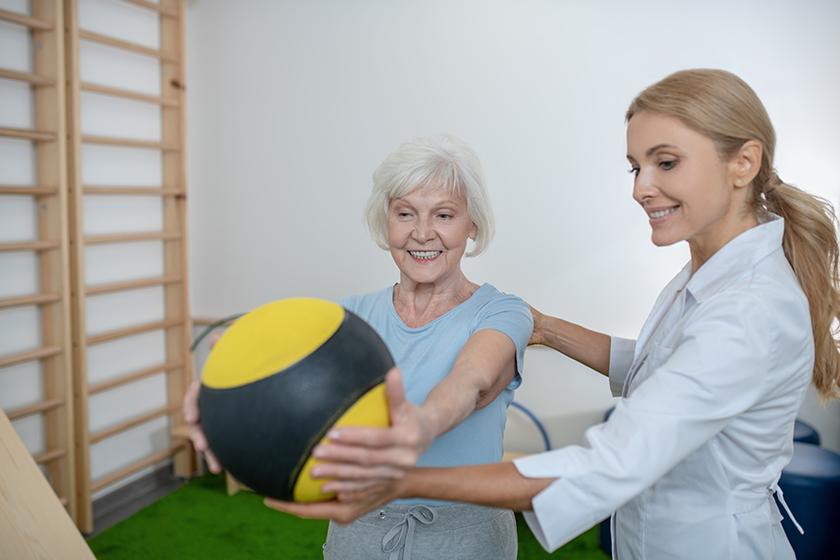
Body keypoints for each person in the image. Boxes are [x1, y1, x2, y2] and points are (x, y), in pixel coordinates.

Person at [267, 69, 840, 560]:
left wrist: (404, 479)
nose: (642, 188)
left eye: (665, 162)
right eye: (634, 167)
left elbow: (592, 450)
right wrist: (544, 328)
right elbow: (660, 369)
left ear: (743, 163)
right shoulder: (706, 274)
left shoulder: (749, 308)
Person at [183, 133, 533, 560]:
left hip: (469, 537)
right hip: (360, 532)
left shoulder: (503, 312)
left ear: (472, 224)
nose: (422, 233)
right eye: (405, 213)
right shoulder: (348, 321)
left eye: (444, 215)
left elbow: (472, 380)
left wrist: (422, 423)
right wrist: (223, 397)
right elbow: (285, 385)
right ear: (385, 223)